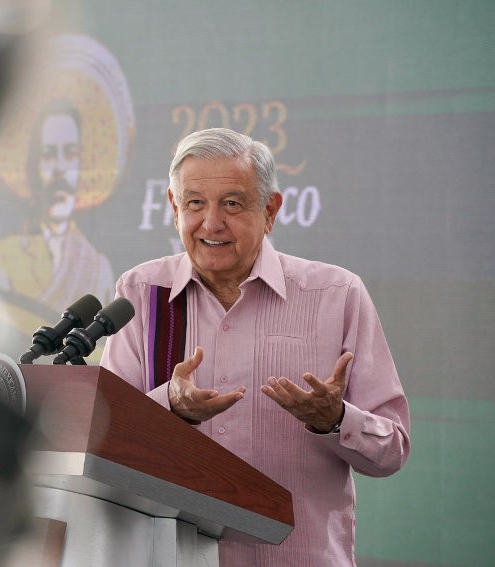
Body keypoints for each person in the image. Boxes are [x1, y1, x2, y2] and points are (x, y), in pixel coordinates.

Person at [100, 128, 410, 566]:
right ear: (173, 208)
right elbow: (106, 439)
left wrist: (335, 419)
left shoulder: (337, 294)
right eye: (194, 203)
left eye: (232, 203)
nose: (211, 223)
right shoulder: (142, 292)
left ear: (270, 210)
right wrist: (170, 406)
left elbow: (391, 451)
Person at [0, 99, 115, 314]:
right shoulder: (2, 257)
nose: (59, 169)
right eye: (48, 155)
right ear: (32, 167)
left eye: (70, 154)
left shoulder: (97, 268)